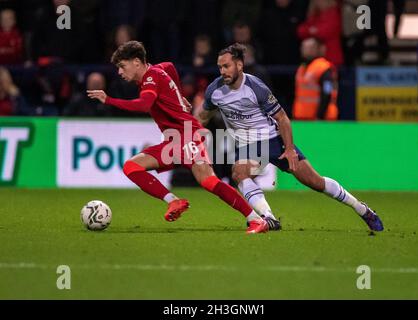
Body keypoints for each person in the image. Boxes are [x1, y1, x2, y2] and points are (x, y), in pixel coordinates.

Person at [195, 43, 384, 232]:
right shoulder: (215, 90)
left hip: (272, 140)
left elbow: (282, 118)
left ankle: (361, 208)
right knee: (239, 173)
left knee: (315, 182)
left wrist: (289, 149)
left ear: (239, 65)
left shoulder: (256, 87)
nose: (222, 71)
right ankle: (268, 217)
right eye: (220, 67)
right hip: (247, 144)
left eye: (226, 66)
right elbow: (202, 116)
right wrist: (189, 133)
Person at [87, 41, 269, 234]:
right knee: (132, 166)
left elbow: (143, 105)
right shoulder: (157, 70)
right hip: (174, 141)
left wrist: (109, 100)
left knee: (208, 181)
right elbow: (170, 66)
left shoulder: (151, 78)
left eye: (122, 66)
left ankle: (256, 219)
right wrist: (180, 96)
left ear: (137, 62)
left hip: (187, 135)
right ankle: (174, 201)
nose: (120, 72)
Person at [293, 37, 338, 120]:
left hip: (321, 119)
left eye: (310, 47)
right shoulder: (302, 68)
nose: (305, 50)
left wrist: (320, 116)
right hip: (302, 117)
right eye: (303, 47)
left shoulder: (324, 67)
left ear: (318, 49)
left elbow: (327, 92)